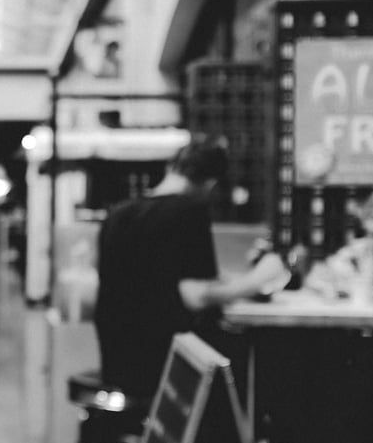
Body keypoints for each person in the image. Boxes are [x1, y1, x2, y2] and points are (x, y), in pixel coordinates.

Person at [93, 135, 288, 401]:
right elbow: (195, 296)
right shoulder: (188, 210)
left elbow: (155, 278)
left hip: (118, 362)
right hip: (167, 365)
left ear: (171, 168)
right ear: (210, 183)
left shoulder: (117, 214)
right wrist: (258, 279)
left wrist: (229, 283)